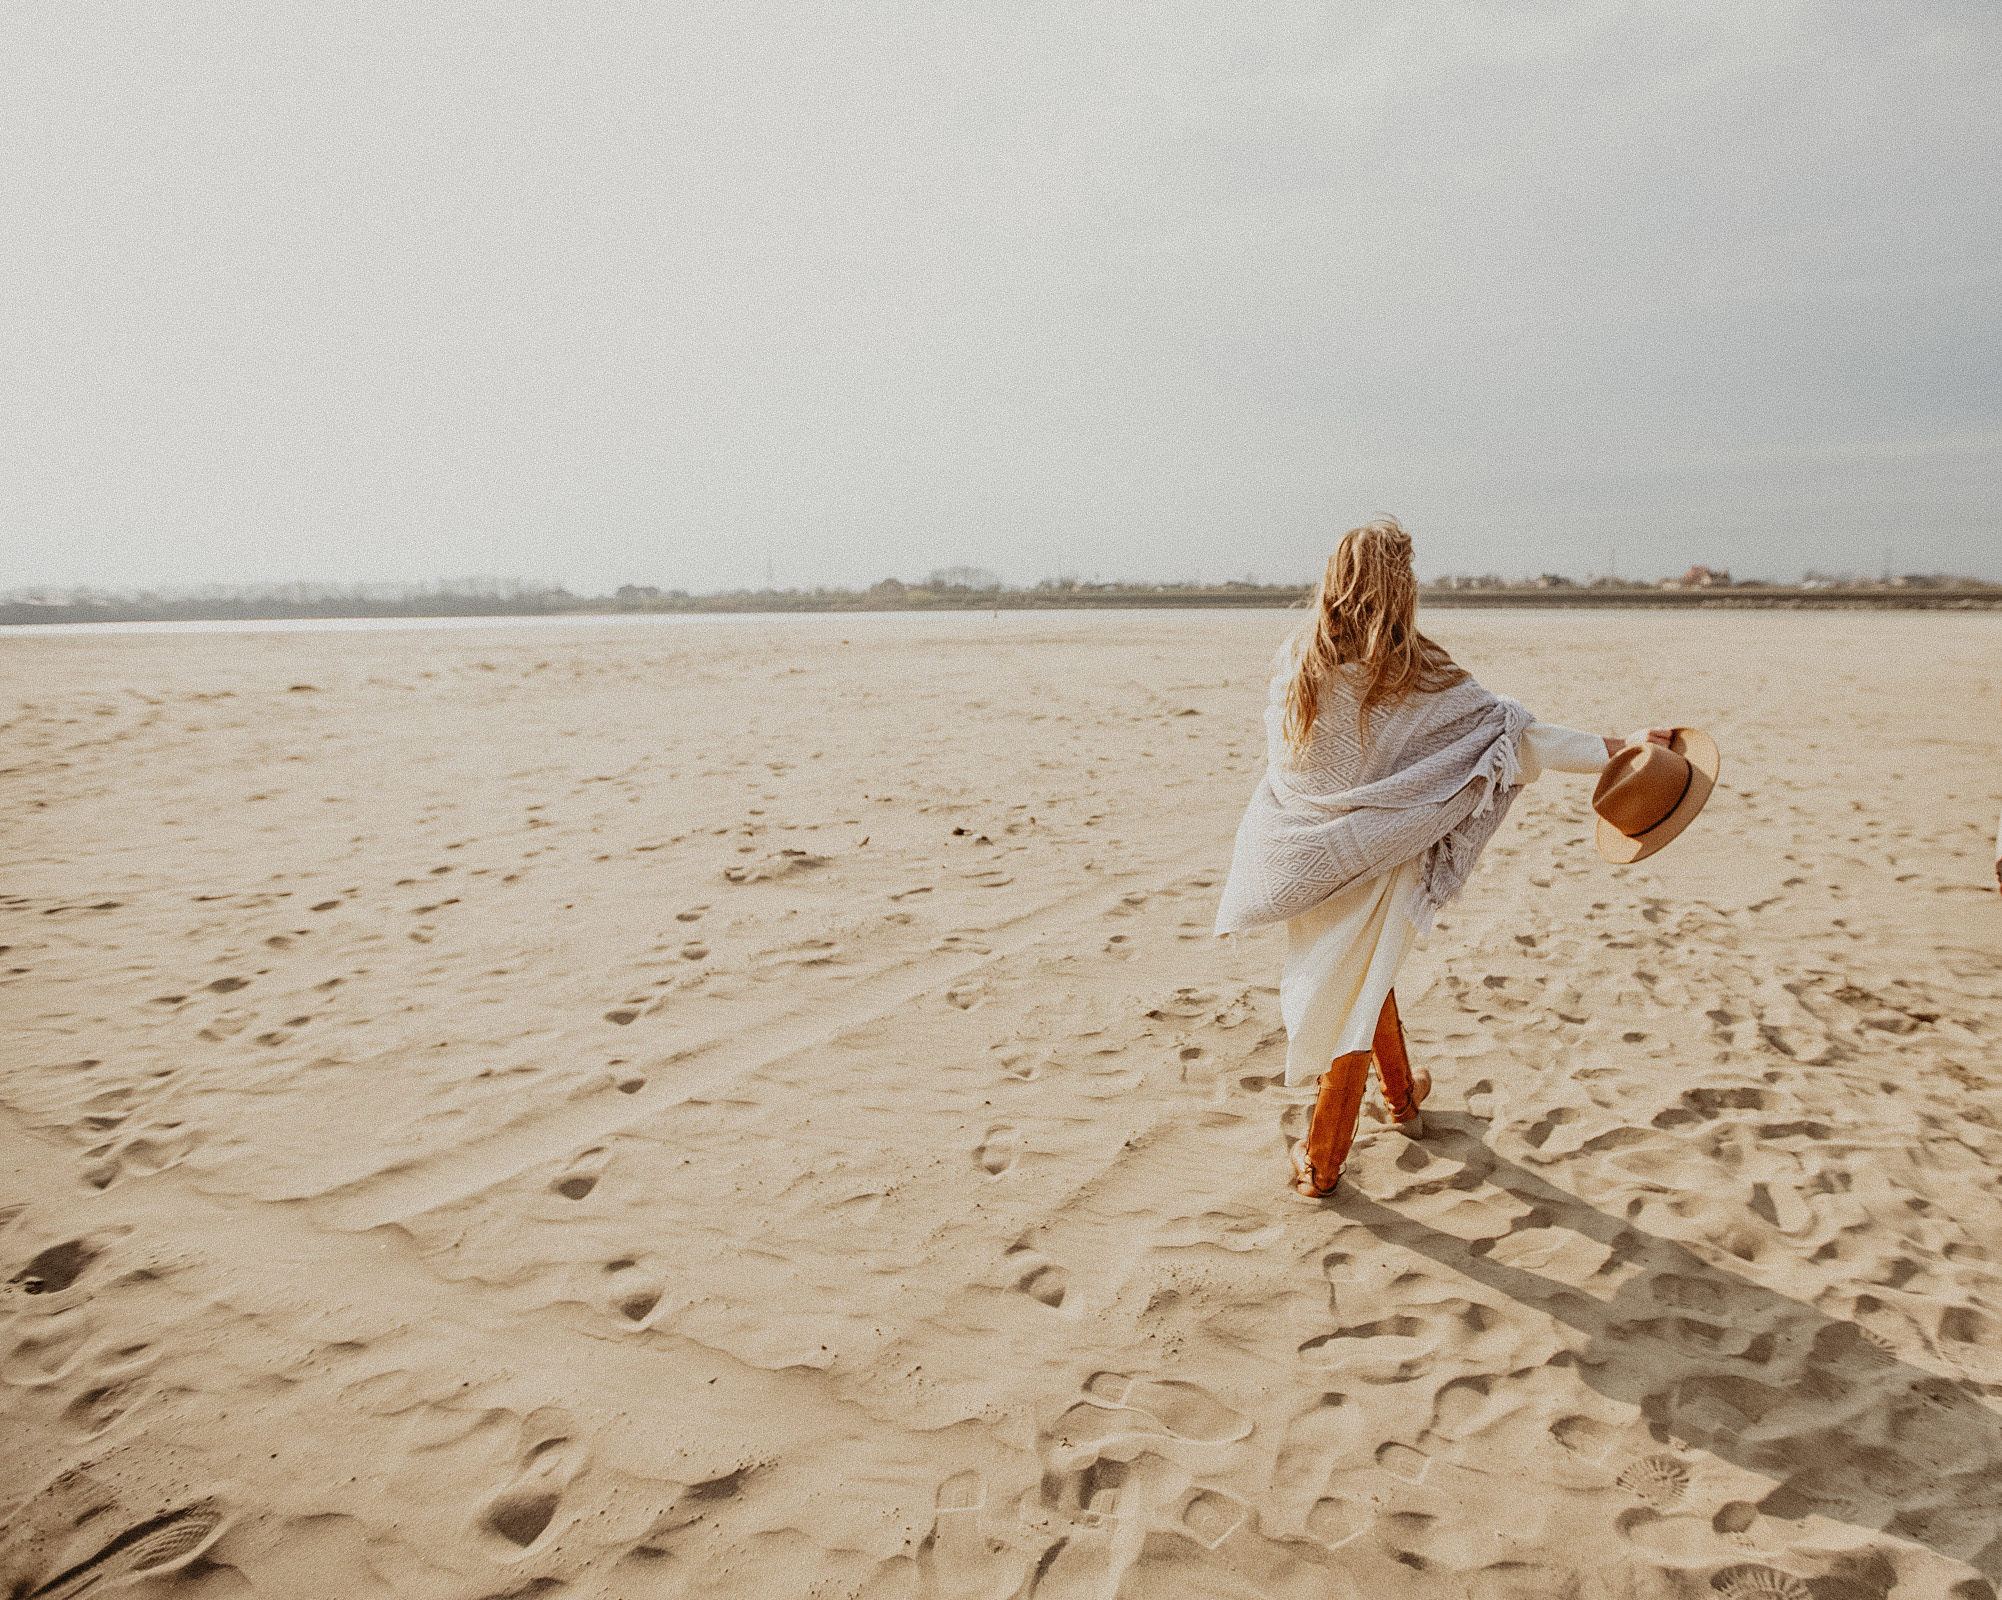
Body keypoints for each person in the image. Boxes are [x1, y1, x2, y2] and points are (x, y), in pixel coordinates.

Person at [1213, 518, 1672, 1199]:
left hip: (1305, 853)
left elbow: (1295, 760)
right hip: (1381, 855)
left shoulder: (1298, 659)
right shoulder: (1419, 672)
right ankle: (1321, 1164)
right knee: (1353, 997)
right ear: (1403, 587)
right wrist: (1624, 749)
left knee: (1363, 972)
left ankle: (1401, 1101)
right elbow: (1521, 740)